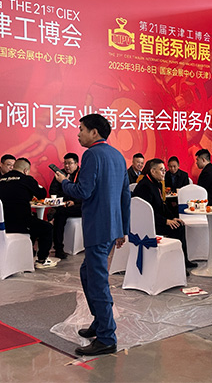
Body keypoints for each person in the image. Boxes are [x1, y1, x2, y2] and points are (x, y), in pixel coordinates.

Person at [54, 113, 130, 356]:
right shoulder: (117, 156)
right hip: (111, 227)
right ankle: (100, 321)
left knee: (97, 281)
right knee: (88, 273)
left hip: (98, 227)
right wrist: (123, 229)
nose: (78, 134)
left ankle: (107, 337)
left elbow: (83, 191)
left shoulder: (91, 155)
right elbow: (125, 195)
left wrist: (64, 182)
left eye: (81, 129)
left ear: (94, 132)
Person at [133, 158, 196, 268]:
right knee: (176, 228)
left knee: (179, 224)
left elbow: (162, 206)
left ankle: (183, 261)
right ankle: (177, 264)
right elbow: (147, 212)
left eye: (164, 170)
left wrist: (172, 218)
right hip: (147, 224)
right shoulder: (145, 186)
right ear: (153, 171)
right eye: (161, 170)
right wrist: (166, 221)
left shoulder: (155, 183)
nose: (164, 173)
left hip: (156, 219)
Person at [0, 158, 56, 269]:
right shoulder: (26, 179)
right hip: (20, 223)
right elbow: (42, 194)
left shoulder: (1, 180)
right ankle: (42, 260)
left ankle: (26, 253)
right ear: (25, 170)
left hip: (1, 223)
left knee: (34, 221)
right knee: (47, 227)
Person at [48, 152, 82, 260]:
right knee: (60, 214)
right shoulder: (60, 174)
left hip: (80, 206)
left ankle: (57, 247)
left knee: (58, 213)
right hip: (63, 205)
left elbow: (86, 193)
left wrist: (74, 201)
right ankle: (58, 248)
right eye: (65, 163)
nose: (67, 166)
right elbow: (53, 191)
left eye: (70, 163)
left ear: (76, 164)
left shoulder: (83, 174)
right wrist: (65, 200)